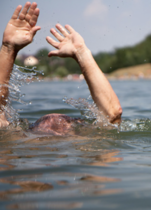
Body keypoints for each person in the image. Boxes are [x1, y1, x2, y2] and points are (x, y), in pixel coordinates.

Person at [0, 2, 122, 135]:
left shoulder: (20, 140)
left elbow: (113, 115)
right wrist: (82, 53)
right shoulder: (86, 144)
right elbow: (112, 116)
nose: (58, 121)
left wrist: (8, 48)